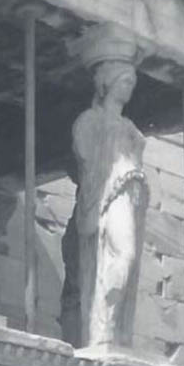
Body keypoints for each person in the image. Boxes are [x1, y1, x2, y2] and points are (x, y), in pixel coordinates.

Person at [72, 56, 148, 347]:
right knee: (124, 255)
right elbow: (87, 161)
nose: (130, 88)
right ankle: (103, 330)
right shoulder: (89, 120)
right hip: (109, 196)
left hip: (132, 196)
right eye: (126, 81)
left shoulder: (130, 126)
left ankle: (115, 333)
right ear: (108, 83)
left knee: (129, 260)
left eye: (133, 83)